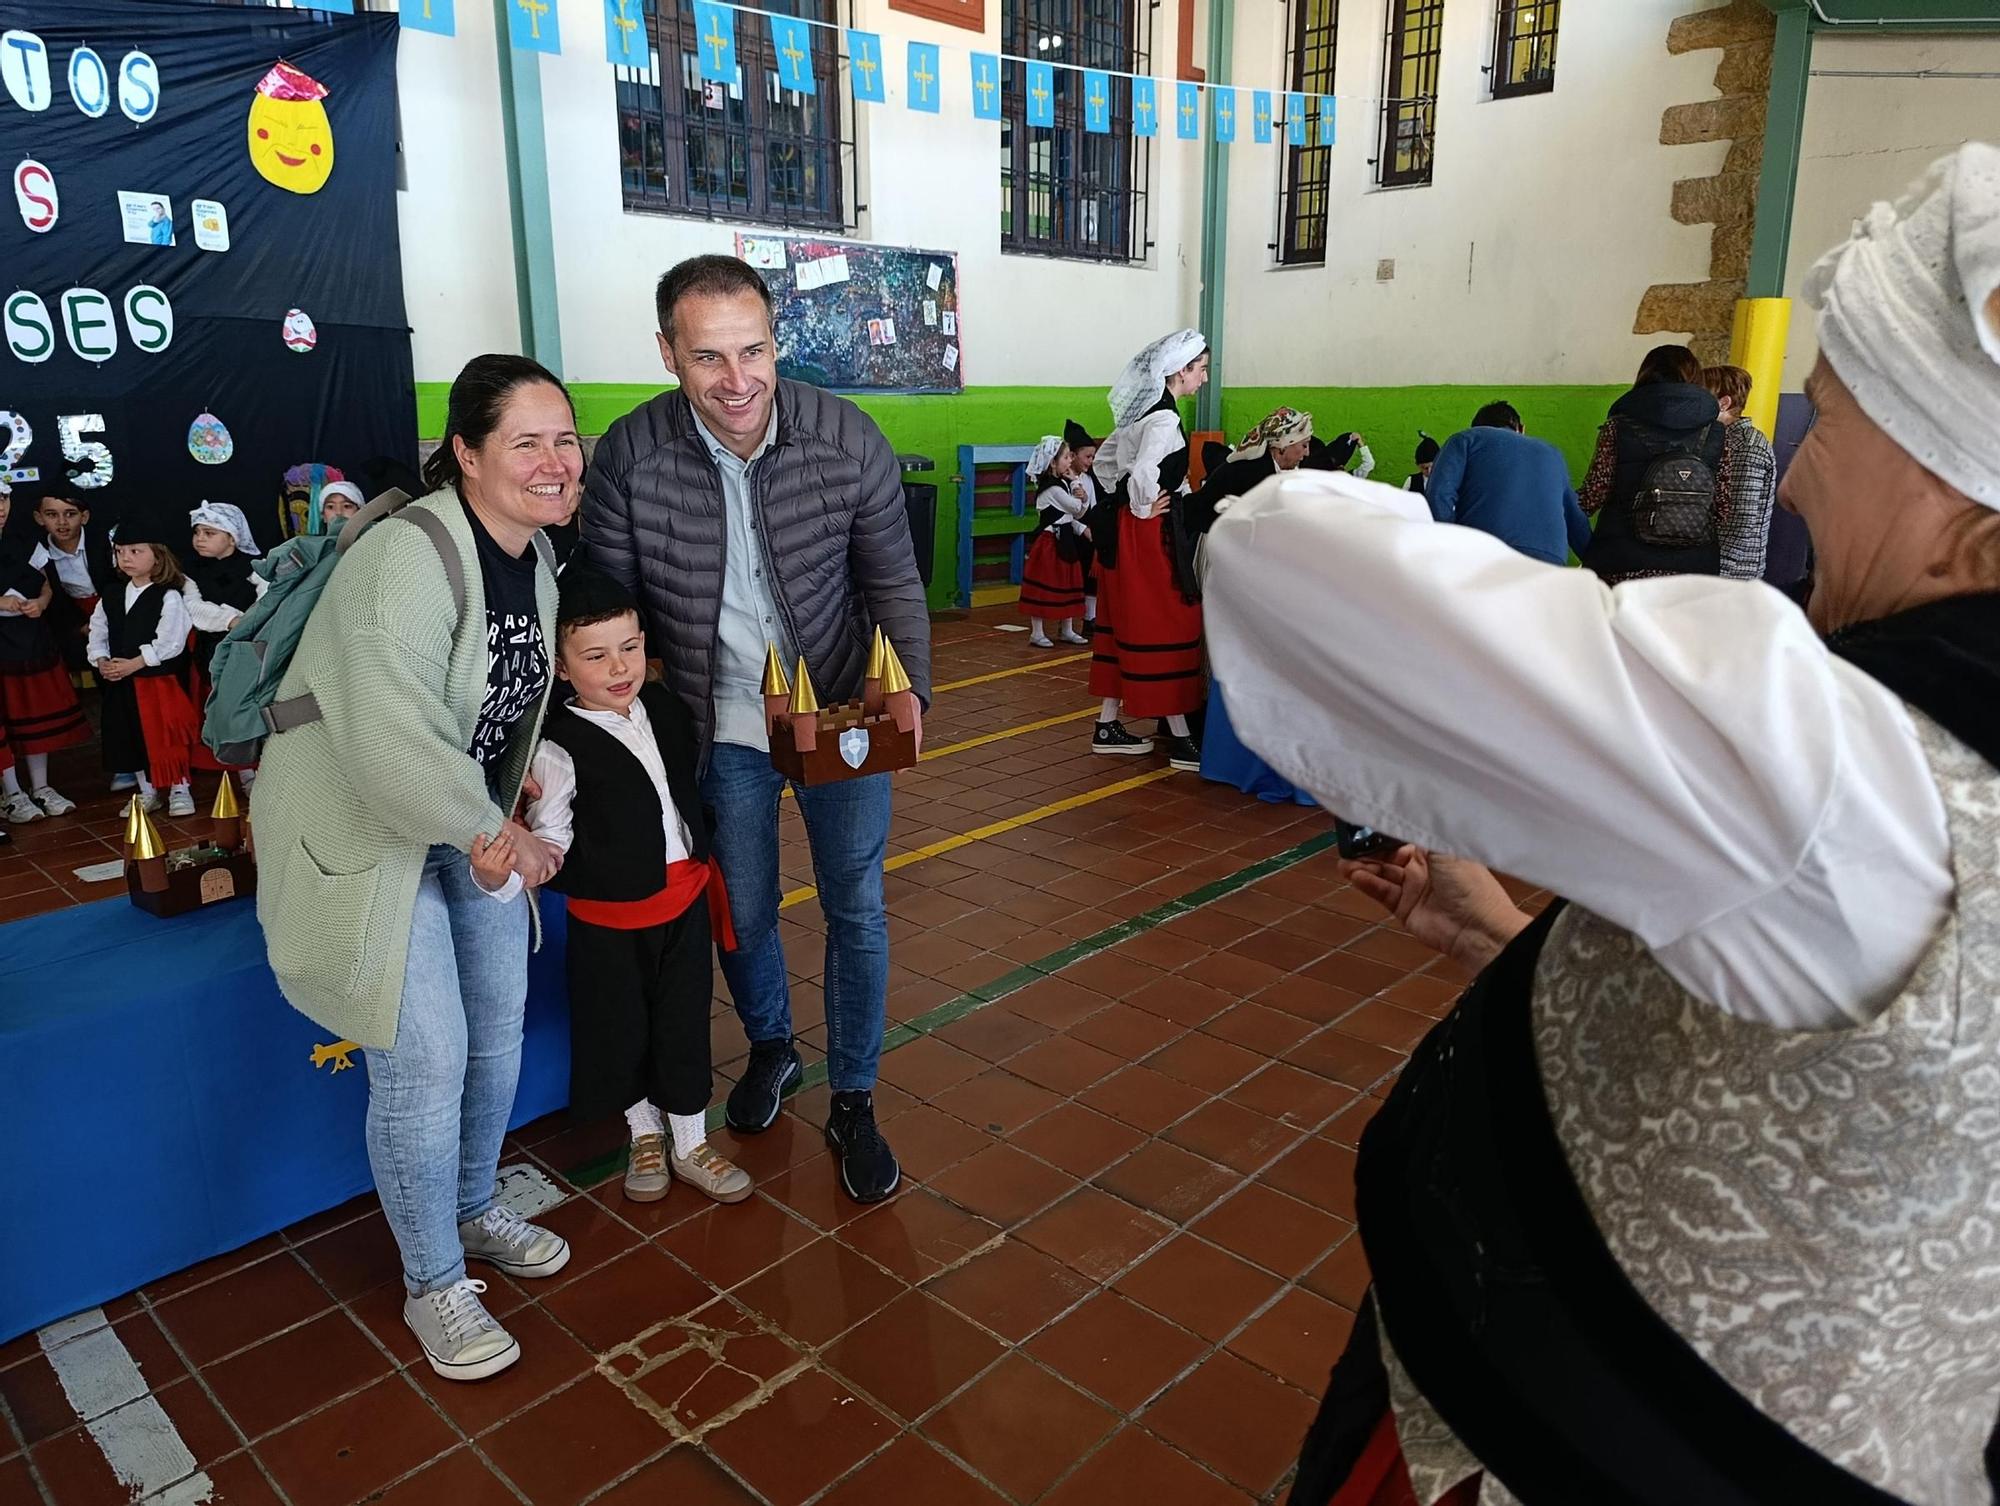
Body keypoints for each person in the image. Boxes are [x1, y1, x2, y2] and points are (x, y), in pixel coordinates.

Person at [1203, 143, 2000, 1506]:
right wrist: (1500, 934)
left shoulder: (1855, 773)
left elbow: (1286, 573)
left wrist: (1265, 488)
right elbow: (1861, 1104)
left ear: (1958, 493)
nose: (1796, 481)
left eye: (1833, 423)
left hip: (1574, 1443)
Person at [582, 254, 932, 1205]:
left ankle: (854, 1096)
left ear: (777, 342)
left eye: (754, 351)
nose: (737, 382)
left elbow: (893, 580)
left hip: (839, 720)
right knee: (743, 906)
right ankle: (774, 1046)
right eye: (707, 358)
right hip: (715, 724)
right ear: (667, 353)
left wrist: (911, 695)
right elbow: (611, 605)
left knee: (854, 904)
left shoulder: (843, 436)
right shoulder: (629, 454)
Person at [253, 355, 572, 1383]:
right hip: (365, 820)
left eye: (565, 439)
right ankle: (434, 1280)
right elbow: (387, 728)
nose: (554, 460)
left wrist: (507, 789)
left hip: (455, 815)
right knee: (423, 1054)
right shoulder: (407, 552)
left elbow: (492, 699)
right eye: (525, 441)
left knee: (494, 1029)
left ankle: (474, 1210)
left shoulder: (536, 556)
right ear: (467, 453)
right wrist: (498, 835)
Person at [520, 568, 751, 1207]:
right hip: (609, 916)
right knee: (620, 1026)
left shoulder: (668, 710)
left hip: (684, 901)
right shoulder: (556, 745)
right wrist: (530, 858)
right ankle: (643, 1132)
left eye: (629, 647)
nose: (618, 667)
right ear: (561, 666)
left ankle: (690, 1136)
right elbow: (554, 830)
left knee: (683, 1019)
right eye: (595, 655)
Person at [1087, 329, 1209, 769]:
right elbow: (1142, 472)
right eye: (1200, 369)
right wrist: (1141, 506)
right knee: (1166, 621)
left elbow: (1104, 463)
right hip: (1148, 532)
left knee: (1127, 620)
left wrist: (1122, 500)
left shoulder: (1139, 415)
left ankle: (1107, 725)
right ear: (1180, 371)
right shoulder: (1163, 420)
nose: (1204, 378)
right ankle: (1180, 738)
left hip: (1126, 531)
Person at [1577, 343, 1755, 585]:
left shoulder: (1618, 427)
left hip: (1622, 565)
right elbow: (1721, 509)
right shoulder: (1717, 434)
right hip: (1694, 571)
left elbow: (1590, 498)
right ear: (1695, 379)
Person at [88, 526, 199, 817]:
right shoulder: (111, 595)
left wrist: (135, 663)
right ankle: (148, 790)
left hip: (157, 683)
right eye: (120, 552)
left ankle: (179, 787)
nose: (126, 558)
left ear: (158, 557)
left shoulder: (169, 595)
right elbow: (98, 631)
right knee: (129, 736)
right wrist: (101, 660)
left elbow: (171, 641)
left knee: (165, 736)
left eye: (135, 551)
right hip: (121, 682)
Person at [0, 485, 89, 821]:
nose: (0, 508)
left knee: (33, 714)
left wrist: (41, 602)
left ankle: (41, 787)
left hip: (30, 639)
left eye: (3, 499)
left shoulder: (23, 541)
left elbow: (45, 582)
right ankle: (11, 793)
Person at [1424, 401, 1593, 566]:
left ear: (1476, 427)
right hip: (1549, 561)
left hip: (1484, 552)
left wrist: (1448, 546)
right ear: (1521, 429)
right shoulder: (1553, 453)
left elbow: (1439, 494)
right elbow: (1576, 519)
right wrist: (1597, 563)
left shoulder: (1465, 439)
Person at [1702, 363, 1779, 580]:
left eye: (1701, 396)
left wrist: (1715, 575)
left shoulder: (1747, 446)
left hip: (1733, 575)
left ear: (1723, 403)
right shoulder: (1721, 440)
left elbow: (1740, 522)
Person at [1019, 435, 1090, 647]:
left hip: (1065, 540)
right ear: (1052, 462)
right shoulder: (1052, 488)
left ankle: (1067, 629)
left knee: (1067, 582)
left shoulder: (1062, 484)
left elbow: (1077, 514)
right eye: (1066, 457)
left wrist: (1082, 497)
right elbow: (1076, 508)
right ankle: (1037, 632)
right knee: (1044, 585)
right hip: (1050, 543)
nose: (1070, 461)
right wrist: (1078, 486)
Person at [34, 492, 112, 685]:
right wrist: (79, 625)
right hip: (71, 614)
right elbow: (54, 596)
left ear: (84, 517)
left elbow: (116, 582)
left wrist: (103, 619)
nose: (62, 522)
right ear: (39, 518)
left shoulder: (104, 542)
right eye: (52, 515)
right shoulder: (39, 551)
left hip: (110, 606)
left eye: (70, 514)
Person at [1064, 419, 1103, 630]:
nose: (1090, 461)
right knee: (1072, 580)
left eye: (1093, 457)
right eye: (1087, 457)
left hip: (1090, 535)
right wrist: (1082, 529)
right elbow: (1063, 513)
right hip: (1072, 536)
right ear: (1072, 455)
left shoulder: (1090, 478)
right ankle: (1068, 623)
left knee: (1092, 577)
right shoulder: (1063, 481)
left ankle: (1090, 618)